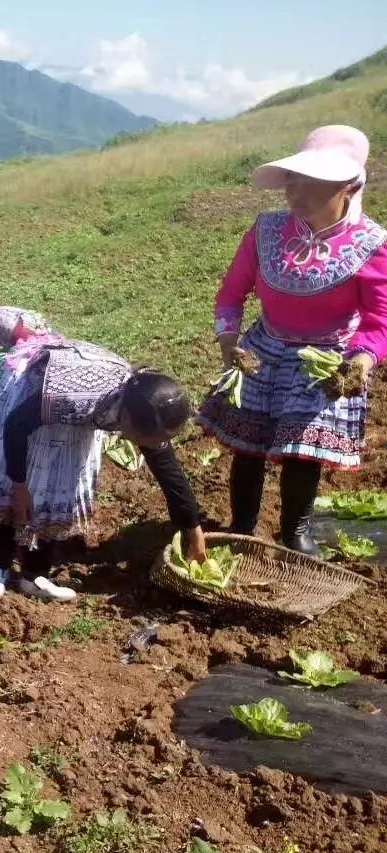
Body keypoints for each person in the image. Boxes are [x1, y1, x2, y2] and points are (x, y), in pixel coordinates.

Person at [198, 125, 386, 555]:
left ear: (349, 187)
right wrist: (229, 341)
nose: (295, 196)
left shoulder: (370, 245)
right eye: (292, 183)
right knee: (249, 444)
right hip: (262, 350)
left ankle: (294, 532)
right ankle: (242, 526)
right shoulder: (266, 231)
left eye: (312, 185)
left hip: (327, 356)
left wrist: (360, 363)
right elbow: (231, 293)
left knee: (304, 447)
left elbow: (379, 321)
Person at [0, 338, 207, 602]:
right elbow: (16, 426)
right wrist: (20, 485)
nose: (154, 445)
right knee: (17, 492)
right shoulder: (76, 398)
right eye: (151, 439)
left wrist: (192, 528)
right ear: (127, 419)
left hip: (75, 417)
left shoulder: (144, 406)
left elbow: (166, 467)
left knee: (61, 489)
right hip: (33, 398)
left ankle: (34, 575)